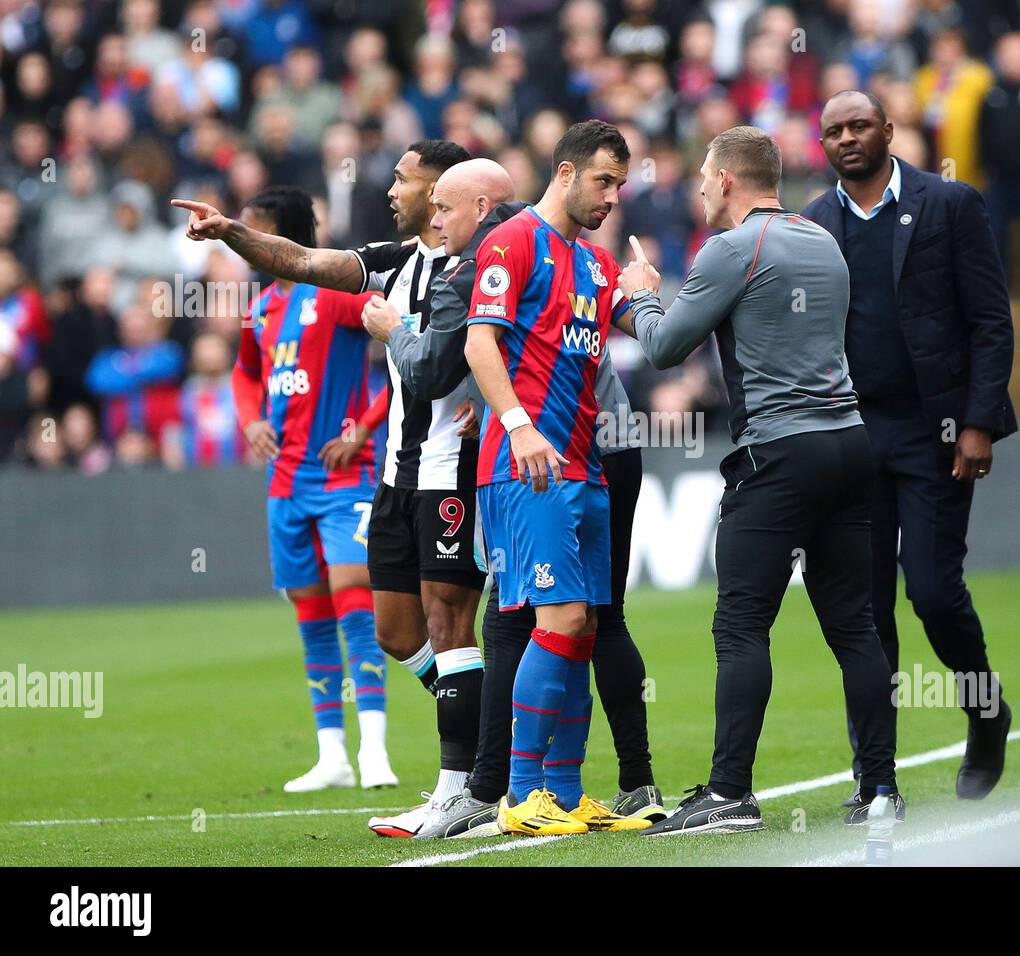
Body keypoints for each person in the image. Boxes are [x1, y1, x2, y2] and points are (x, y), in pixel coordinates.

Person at [172, 141, 485, 809]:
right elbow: (298, 273)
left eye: (401, 179)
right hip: (378, 480)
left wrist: (369, 427)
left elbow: (493, 346)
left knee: (446, 619)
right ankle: (467, 728)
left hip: (433, 470)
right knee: (396, 630)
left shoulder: (479, 266)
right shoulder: (385, 265)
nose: (390, 189)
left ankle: (460, 771)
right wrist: (229, 232)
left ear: (437, 192)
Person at [362, 163, 665, 838]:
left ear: (482, 206)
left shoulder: (503, 253)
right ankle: (596, 785)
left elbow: (447, 359)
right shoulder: (566, 251)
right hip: (583, 450)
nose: (434, 221)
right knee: (583, 620)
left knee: (527, 622)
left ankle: (507, 788)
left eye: (442, 206)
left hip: (551, 456)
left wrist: (401, 335)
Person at [617, 125, 898, 836]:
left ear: (728, 180)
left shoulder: (731, 248)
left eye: (705, 177)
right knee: (855, 625)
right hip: (849, 442)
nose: (699, 189)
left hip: (780, 452)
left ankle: (730, 794)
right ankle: (881, 789)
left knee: (740, 624)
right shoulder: (821, 239)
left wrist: (641, 294)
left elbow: (661, 348)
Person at [803, 90, 1016, 804]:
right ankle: (876, 778)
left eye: (859, 125)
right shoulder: (813, 224)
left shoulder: (951, 204)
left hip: (937, 436)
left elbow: (990, 319)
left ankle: (986, 714)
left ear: (889, 131)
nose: (847, 139)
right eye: (833, 131)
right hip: (852, 441)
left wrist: (980, 421)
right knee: (865, 611)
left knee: (931, 591)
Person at [463, 119, 650, 835]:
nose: (612, 197)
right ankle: (522, 791)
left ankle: (568, 797)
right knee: (560, 620)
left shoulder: (596, 265)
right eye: (603, 181)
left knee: (585, 626)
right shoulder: (510, 243)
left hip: (586, 466)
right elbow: (481, 341)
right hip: (526, 467)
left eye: (621, 186)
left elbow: (644, 329)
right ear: (565, 173)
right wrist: (517, 424)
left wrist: (644, 289)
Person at [226, 186, 395, 792]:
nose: (243, 240)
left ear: (281, 233)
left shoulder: (339, 295)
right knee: (310, 611)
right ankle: (333, 753)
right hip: (286, 483)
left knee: (354, 595)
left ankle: (374, 746)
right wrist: (250, 418)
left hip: (345, 475)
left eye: (252, 229)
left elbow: (404, 354)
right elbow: (244, 373)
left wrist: (363, 428)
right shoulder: (261, 309)